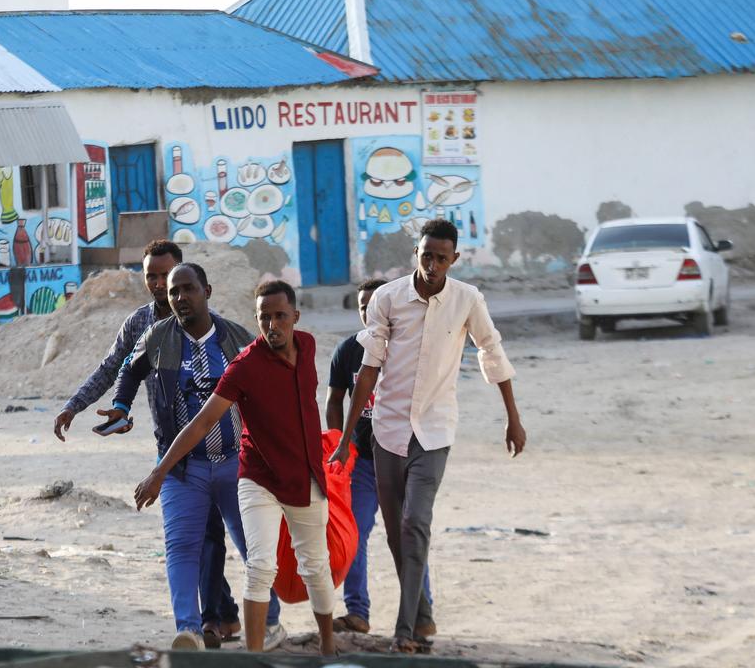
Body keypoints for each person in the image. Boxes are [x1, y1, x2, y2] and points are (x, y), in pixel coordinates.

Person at [329, 218, 527, 654]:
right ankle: (423, 616)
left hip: (435, 431)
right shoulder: (388, 298)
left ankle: (405, 629)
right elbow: (368, 370)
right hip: (387, 431)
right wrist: (345, 438)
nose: (432, 264)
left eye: (441, 257)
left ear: (453, 259)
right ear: (415, 254)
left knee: (416, 522)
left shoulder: (467, 300)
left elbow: (491, 351)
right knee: (398, 533)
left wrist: (512, 416)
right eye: (426, 255)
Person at [54, 243, 261, 647]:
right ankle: (203, 622)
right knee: (191, 538)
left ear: (201, 287)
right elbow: (115, 369)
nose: (161, 287)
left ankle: (225, 617)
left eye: (169, 279)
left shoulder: (229, 335)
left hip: (226, 454)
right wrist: (91, 406)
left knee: (219, 538)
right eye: (154, 279)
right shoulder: (144, 326)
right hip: (175, 449)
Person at [135, 280, 337, 656]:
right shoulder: (244, 366)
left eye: (280, 316)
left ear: (296, 316)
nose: (273, 325)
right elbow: (200, 422)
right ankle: (253, 655)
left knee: (316, 568)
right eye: (264, 317)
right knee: (260, 566)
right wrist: (160, 471)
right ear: (256, 319)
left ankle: (328, 646)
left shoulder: (307, 346)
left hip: (304, 476)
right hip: (257, 478)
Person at [106, 264, 283, 651]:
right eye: (174, 292)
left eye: (188, 289)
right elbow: (129, 371)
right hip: (182, 468)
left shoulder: (237, 338)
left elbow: (271, 390)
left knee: (254, 545)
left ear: (208, 290)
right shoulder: (157, 336)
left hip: (238, 464)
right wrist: (120, 405)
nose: (180, 298)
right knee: (181, 547)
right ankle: (188, 629)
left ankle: (270, 623)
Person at [325, 278, 431, 635]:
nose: (368, 312)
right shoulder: (347, 350)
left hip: (403, 458)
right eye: (362, 306)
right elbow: (333, 400)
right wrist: (341, 444)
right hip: (364, 464)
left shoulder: (410, 348)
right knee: (353, 533)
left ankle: (420, 614)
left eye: (375, 304)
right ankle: (357, 612)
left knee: (407, 534)